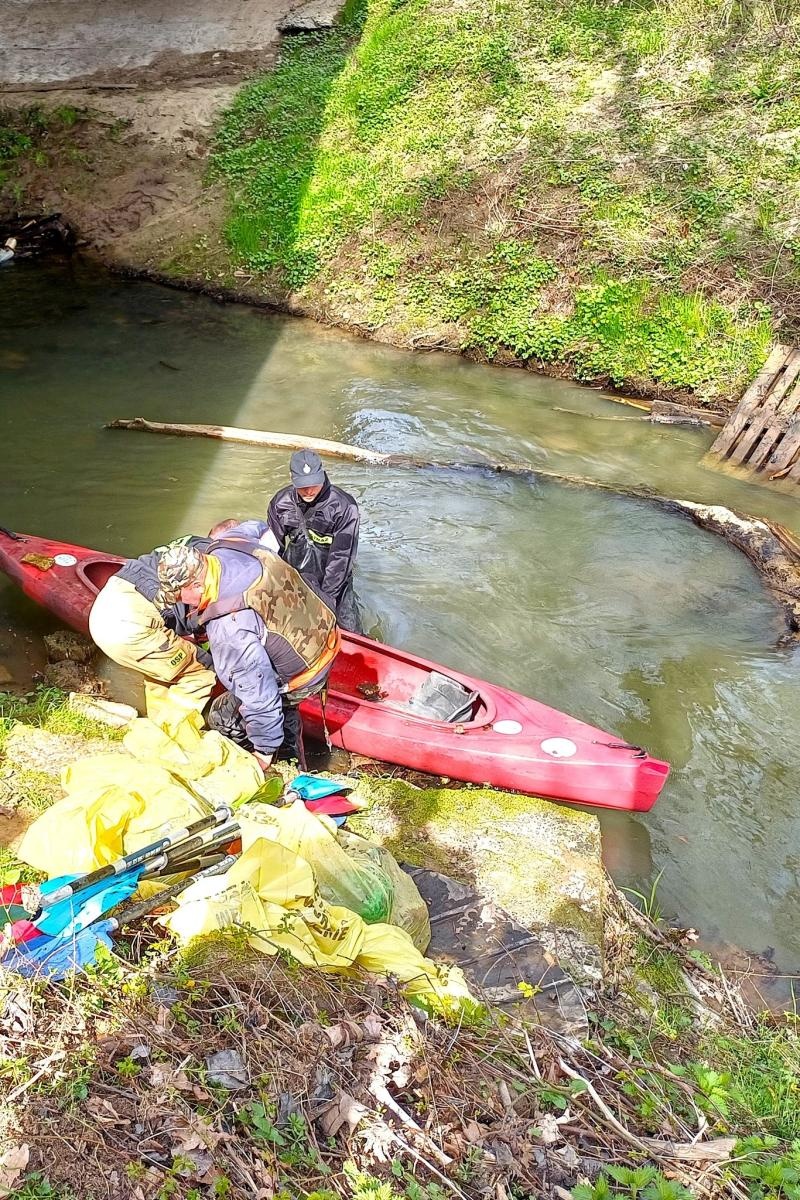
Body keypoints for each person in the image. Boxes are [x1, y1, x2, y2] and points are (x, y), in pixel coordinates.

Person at [154, 531, 340, 767]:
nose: (180, 602)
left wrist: (263, 751)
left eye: (180, 596)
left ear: (198, 585)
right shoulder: (229, 545)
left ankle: (280, 760)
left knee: (222, 716)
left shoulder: (229, 628)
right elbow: (257, 527)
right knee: (281, 706)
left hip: (306, 671)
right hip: (324, 631)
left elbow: (257, 693)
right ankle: (290, 740)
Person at [87, 519, 271, 709]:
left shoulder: (187, 546)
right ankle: (175, 726)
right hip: (132, 624)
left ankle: (158, 713)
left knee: (169, 666)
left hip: (109, 597)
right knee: (201, 671)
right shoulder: (212, 568)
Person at [267, 449, 363, 632]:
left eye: (314, 484)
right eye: (302, 485)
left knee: (349, 631)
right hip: (296, 579)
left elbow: (341, 558)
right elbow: (272, 550)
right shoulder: (280, 503)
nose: (309, 491)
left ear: (322, 475)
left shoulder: (344, 507)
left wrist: (324, 600)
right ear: (292, 478)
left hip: (335, 583)